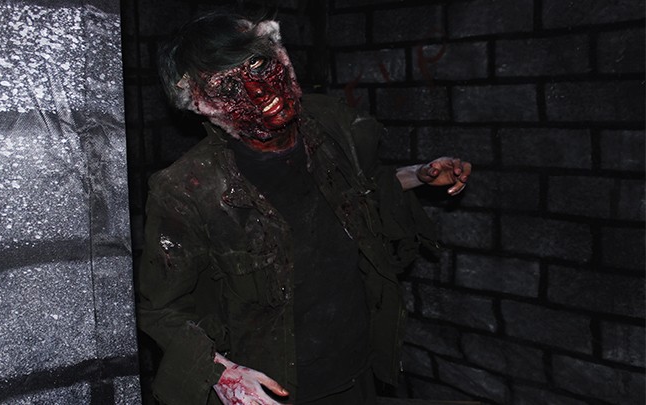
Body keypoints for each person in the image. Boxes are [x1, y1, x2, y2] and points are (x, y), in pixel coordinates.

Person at [137, 11, 471, 405]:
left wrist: (419, 175)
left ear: (279, 54)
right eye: (226, 86)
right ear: (200, 103)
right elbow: (161, 309)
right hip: (274, 392)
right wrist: (219, 373)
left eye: (258, 64)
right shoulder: (187, 189)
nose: (259, 90)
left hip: (357, 372)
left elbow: (359, 190)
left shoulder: (330, 124)